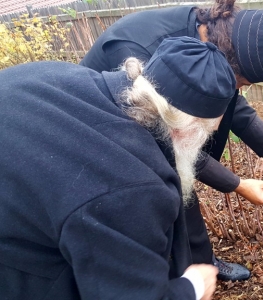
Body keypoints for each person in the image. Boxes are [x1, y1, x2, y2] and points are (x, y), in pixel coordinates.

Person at [0, 37, 248, 299]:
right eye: (208, 132)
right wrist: (192, 287)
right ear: (183, 129)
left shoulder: (56, 75)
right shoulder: (132, 190)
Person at [80, 0, 263, 281]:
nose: (237, 90)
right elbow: (173, 146)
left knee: (181, 192)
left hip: (154, 127)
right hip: (109, 133)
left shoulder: (214, 32)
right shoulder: (138, 55)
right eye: (242, 83)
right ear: (226, 57)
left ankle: (201, 265)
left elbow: (227, 96)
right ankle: (169, 279)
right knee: (155, 201)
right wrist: (237, 184)